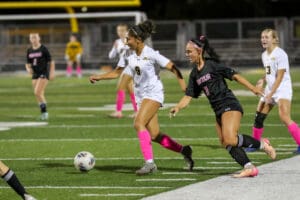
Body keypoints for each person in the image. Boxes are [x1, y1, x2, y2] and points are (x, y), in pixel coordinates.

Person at [91, 20, 194, 175]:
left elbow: (173, 68)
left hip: (154, 94)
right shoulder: (127, 53)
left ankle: (150, 164)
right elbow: (117, 72)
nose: (126, 42)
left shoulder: (151, 54)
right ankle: (184, 150)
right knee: (154, 135)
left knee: (138, 123)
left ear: (138, 40)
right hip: (141, 96)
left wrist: (183, 87)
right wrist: (99, 77)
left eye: (128, 39)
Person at [170, 35, 276, 178]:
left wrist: (253, 88)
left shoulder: (212, 65)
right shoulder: (194, 74)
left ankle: (263, 145)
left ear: (199, 51)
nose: (186, 54)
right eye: (186, 52)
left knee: (231, 139)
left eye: (189, 52)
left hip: (229, 104)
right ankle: (249, 167)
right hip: (218, 111)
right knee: (226, 142)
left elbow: (235, 76)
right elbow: (189, 95)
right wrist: (178, 107)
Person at [246, 28, 300, 154]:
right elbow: (269, 72)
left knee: (284, 117)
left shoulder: (281, 54)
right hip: (270, 88)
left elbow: (280, 76)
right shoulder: (264, 55)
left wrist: (271, 94)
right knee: (258, 117)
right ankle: (256, 144)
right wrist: (262, 79)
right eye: (262, 37)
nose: (263, 39)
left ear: (275, 39)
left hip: (282, 89)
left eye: (266, 37)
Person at [107, 23, 137, 118]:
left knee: (120, 88)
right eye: (119, 30)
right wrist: (115, 48)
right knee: (131, 90)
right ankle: (137, 111)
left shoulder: (131, 40)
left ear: (127, 31)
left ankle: (118, 112)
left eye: (122, 30)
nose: (120, 32)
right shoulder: (117, 42)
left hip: (131, 68)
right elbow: (111, 56)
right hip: (123, 69)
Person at [25, 33, 55, 120]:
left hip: (43, 73)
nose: (33, 39)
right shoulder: (29, 50)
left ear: (39, 38)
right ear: (30, 39)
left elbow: (51, 61)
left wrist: (52, 73)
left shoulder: (43, 49)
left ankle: (45, 113)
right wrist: (28, 69)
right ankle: (43, 113)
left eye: (35, 37)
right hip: (35, 74)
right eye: (32, 38)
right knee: (39, 94)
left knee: (37, 92)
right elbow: (27, 63)